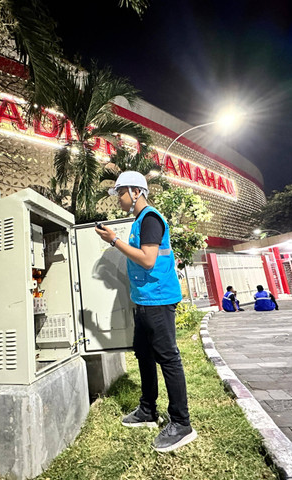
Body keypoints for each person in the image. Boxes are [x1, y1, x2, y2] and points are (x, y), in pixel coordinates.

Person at [95, 171, 197, 453]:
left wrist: (114, 241)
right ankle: (148, 410)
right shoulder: (139, 221)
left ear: (135, 191)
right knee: (144, 353)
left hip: (158, 299)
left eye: (120, 192)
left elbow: (149, 260)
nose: (118, 198)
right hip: (144, 300)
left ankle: (181, 423)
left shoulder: (150, 218)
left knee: (168, 357)